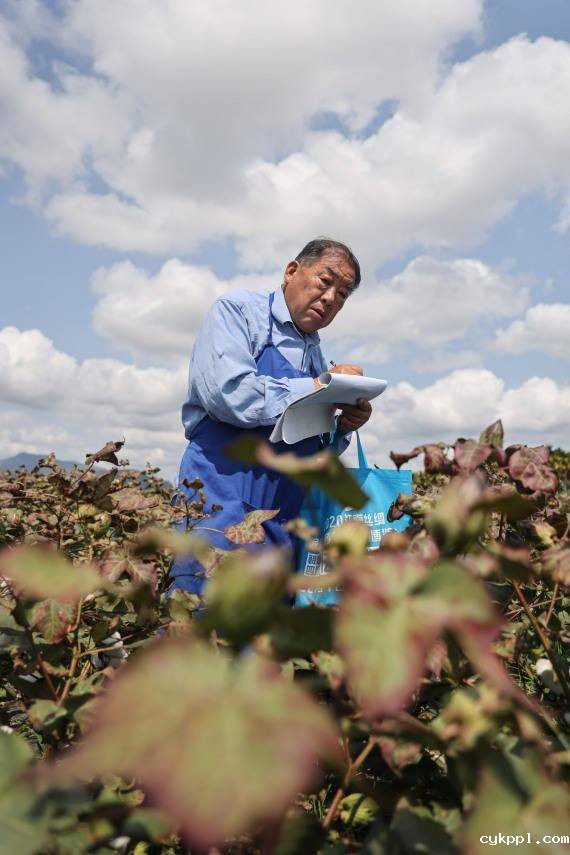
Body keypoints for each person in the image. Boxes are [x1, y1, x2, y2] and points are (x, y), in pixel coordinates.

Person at [169, 238, 373, 594]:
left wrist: (341, 426)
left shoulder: (316, 353)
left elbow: (307, 446)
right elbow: (229, 395)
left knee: (262, 637)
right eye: (325, 282)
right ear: (292, 271)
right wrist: (317, 385)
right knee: (201, 617)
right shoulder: (238, 311)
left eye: (342, 295)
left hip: (284, 520)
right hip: (222, 499)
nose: (330, 299)